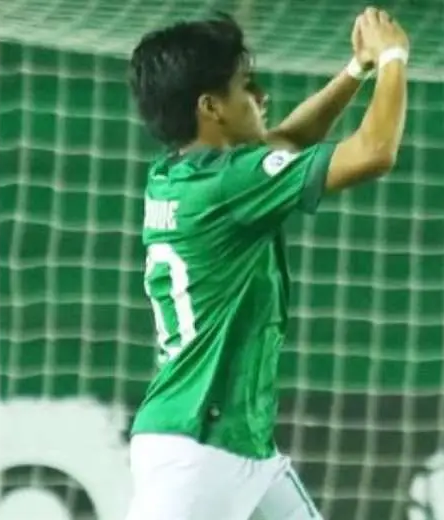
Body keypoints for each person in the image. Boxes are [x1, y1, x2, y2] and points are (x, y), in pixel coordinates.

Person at [126, 7, 409, 520]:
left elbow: (285, 142)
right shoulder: (230, 183)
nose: (261, 98)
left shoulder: (177, 174)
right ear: (211, 107)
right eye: (246, 87)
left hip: (235, 445)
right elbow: (374, 152)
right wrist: (392, 57)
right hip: (196, 455)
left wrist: (355, 70)